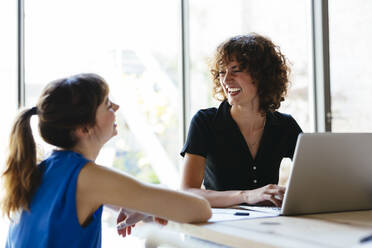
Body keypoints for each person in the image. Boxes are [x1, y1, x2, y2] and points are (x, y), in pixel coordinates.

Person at [1, 73, 211, 247]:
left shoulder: (42, 170)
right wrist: (151, 202)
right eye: (108, 105)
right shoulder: (87, 177)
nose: (117, 108)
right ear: (84, 128)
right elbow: (200, 209)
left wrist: (135, 203)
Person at [180, 33, 303, 208]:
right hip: (218, 229)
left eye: (235, 70)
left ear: (262, 75)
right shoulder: (205, 122)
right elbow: (188, 192)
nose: (226, 79)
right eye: (222, 72)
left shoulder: (285, 125)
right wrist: (246, 196)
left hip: (270, 226)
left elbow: (317, 179)